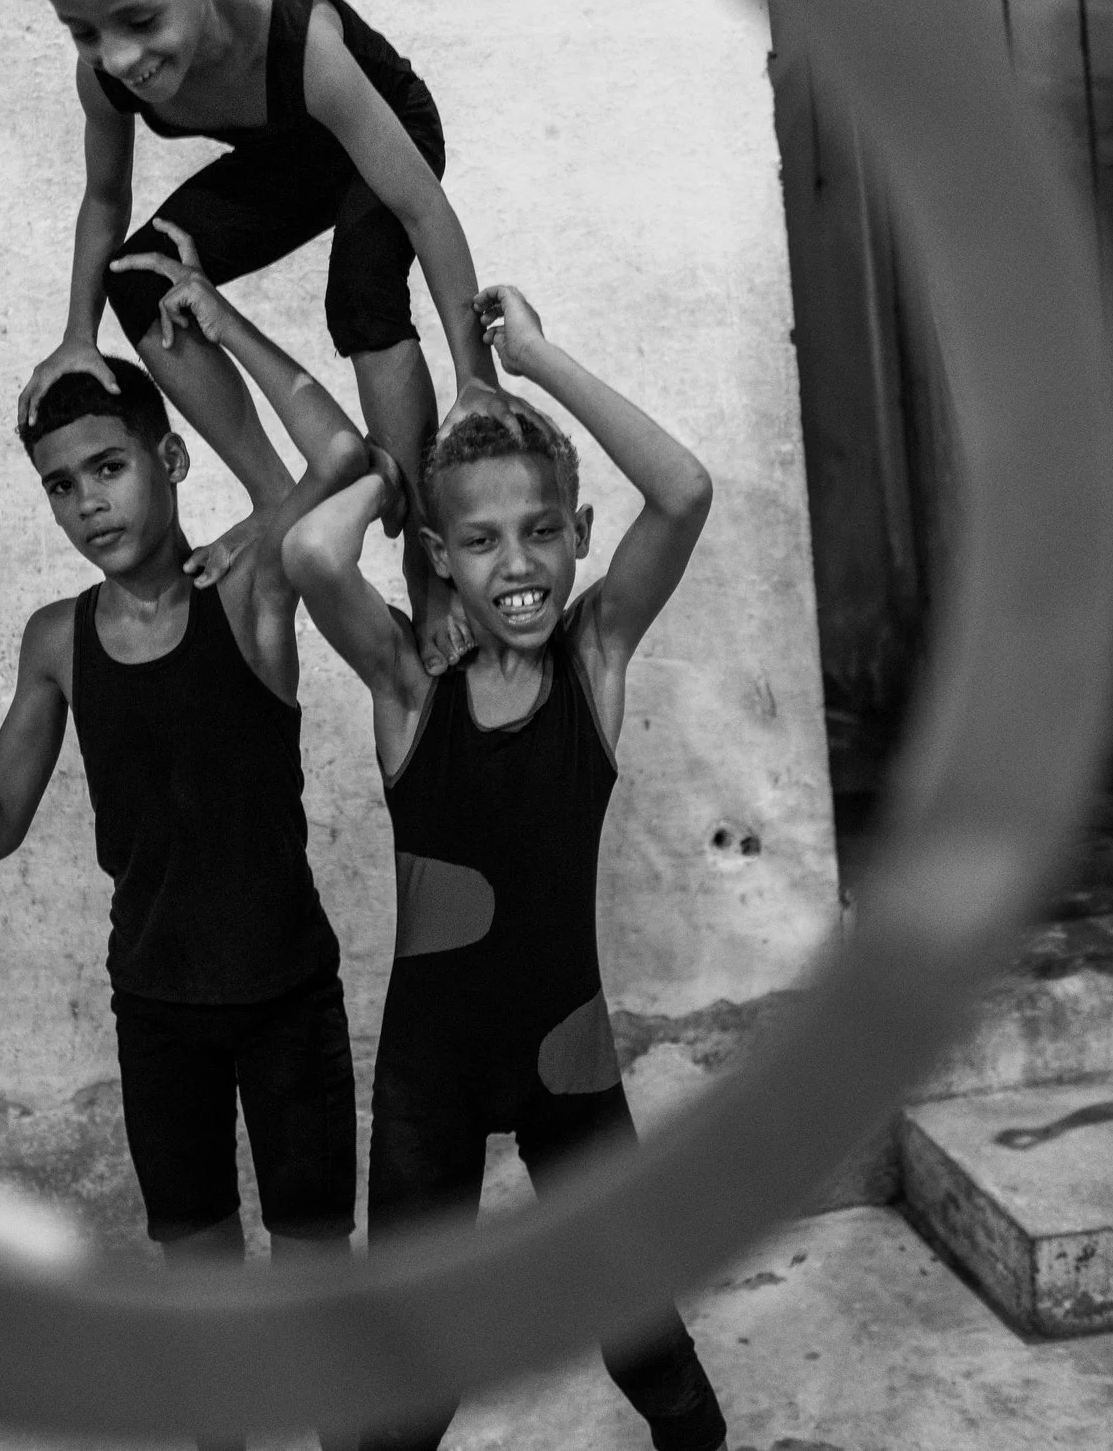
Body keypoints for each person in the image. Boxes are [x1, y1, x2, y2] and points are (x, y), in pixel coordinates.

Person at [0, 227, 373, 1435]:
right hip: (159, 1012)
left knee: (321, 1285)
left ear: (170, 459)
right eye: (61, 486)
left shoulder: (253, 590)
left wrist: (218, 327)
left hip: (289, 998)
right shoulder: (56, 642)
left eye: (109, 468)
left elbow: (345, 461)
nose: (87, 504)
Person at [284, 286, 729, 1451]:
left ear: (580, 535)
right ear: (439, 557)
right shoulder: (407, 693)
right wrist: (397, 470)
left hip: (568, 1063)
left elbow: (681, 491)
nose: (516, 564)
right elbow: (307, 552)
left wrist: (534, 362)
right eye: (478, 542)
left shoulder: (596, 661)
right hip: (430, 1079)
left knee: (646, 1345)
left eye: (542, 531)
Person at [18, 0, 501, 670]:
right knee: (138, 278)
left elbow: (421, 209)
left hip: (386, 130)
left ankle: (431, 579)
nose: (119, 57)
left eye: (139, 20)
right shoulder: (103, 80)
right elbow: (105, 199)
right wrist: (74, 336)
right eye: (84, 33)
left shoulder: (299, 41)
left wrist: (477, 385)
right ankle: (276, 496)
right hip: (292, 156)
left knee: (362, 290)